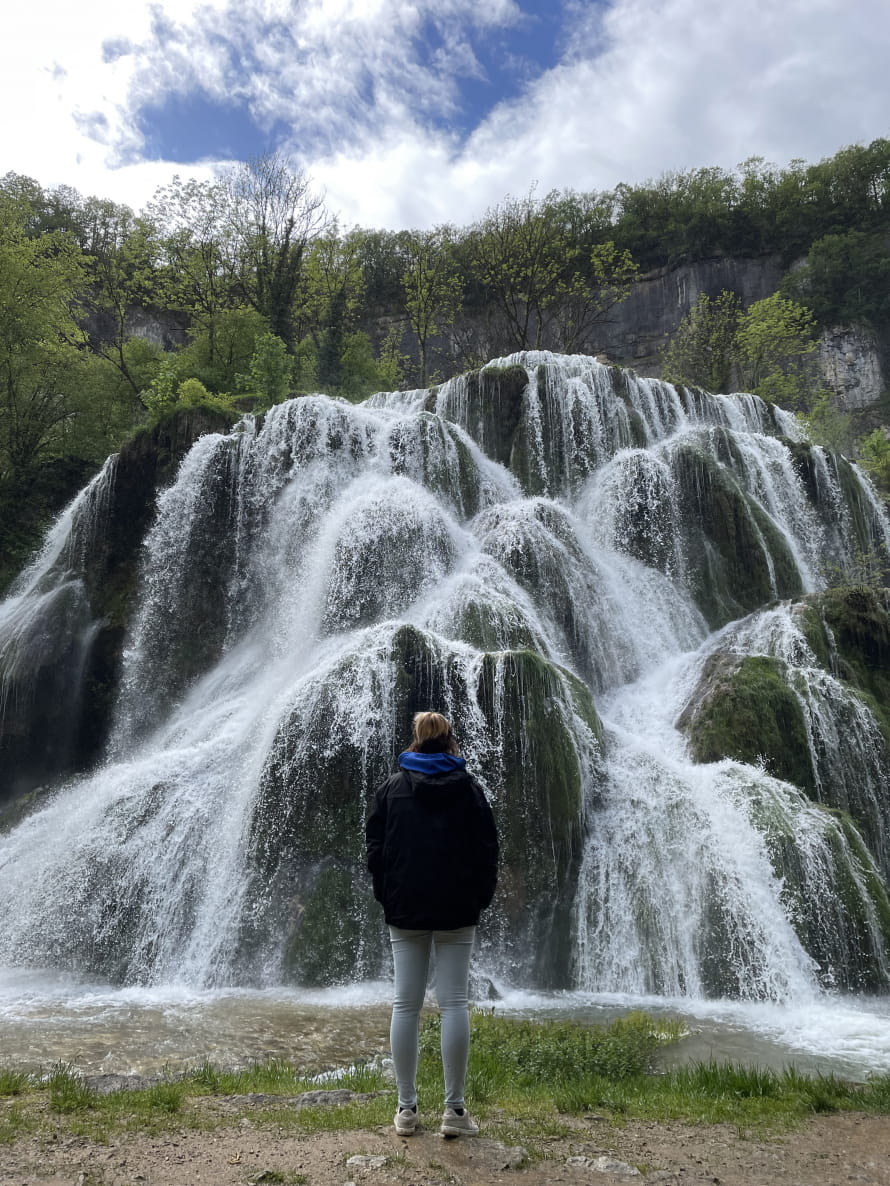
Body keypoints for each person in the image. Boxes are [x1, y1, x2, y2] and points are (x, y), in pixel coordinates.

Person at [366, 711, 498, 1138]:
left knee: (405, 1004)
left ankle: (406, 1111)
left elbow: (375, 847)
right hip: (458, 910)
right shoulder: (471, 789)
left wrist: (387, 894)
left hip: (405, 909)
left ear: (415, 740)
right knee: (454, 1003)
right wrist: (479, 898)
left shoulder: (392, 788)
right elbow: (487, 851)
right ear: (450, 741)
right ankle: (455, 1113)